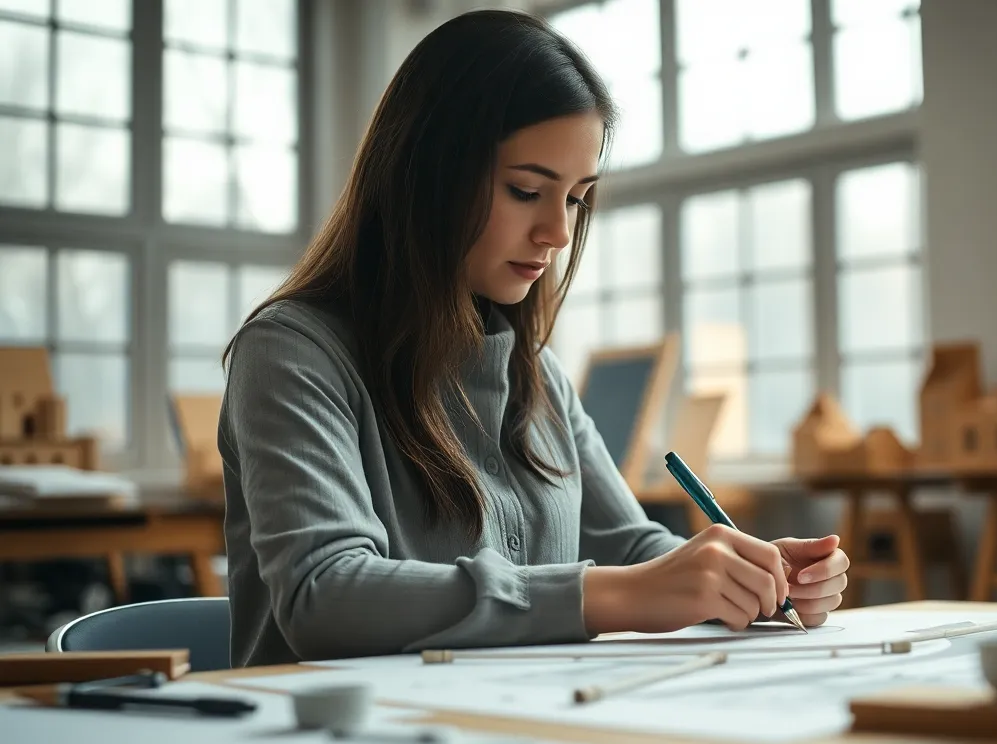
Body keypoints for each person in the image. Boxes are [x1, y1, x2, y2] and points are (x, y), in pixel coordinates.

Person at [219, 9, 850, 668]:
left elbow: (631, 550)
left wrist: (749, 577)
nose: (557, 230)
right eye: (526, 190)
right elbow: (325, 595)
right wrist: (604, 595)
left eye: (576, 198)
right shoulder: (292, 353)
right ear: (427, 175)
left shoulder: (538, 374)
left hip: (522, 730)